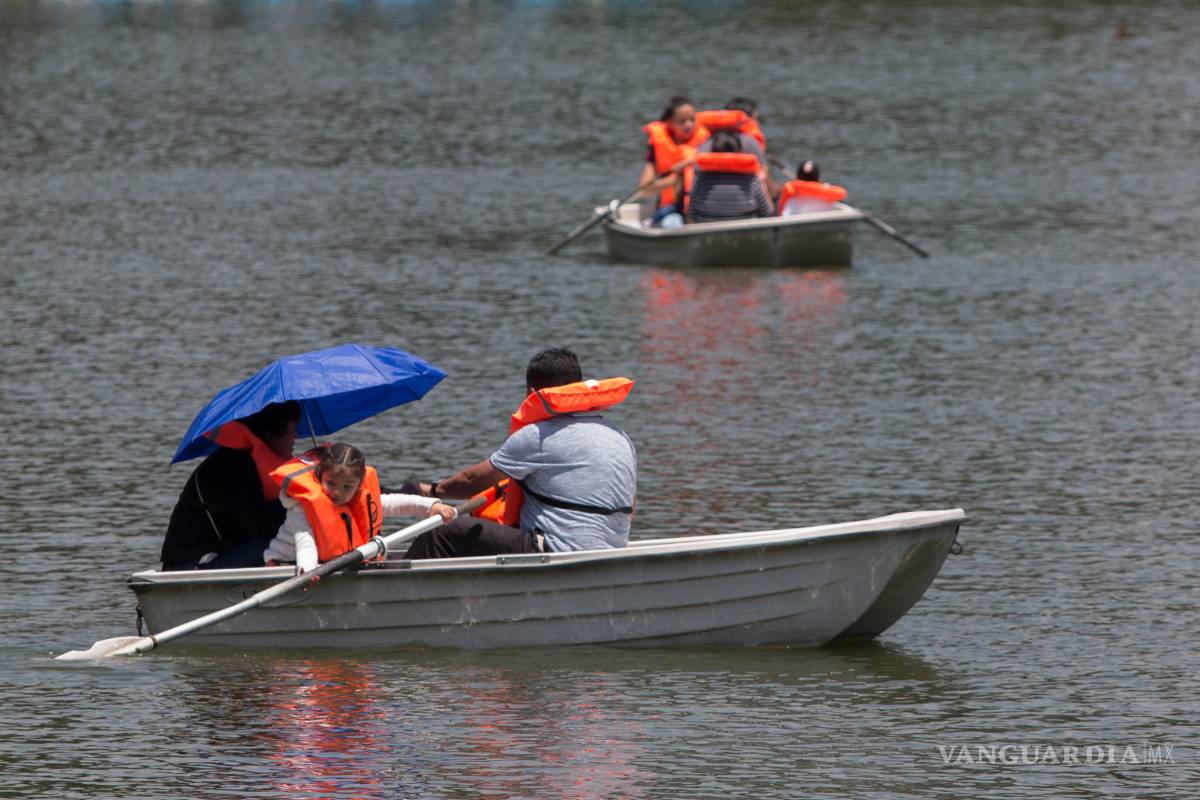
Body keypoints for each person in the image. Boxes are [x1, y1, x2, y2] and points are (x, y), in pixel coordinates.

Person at [401, 348, 637, 560]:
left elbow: (470, 482)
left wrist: (430, 490)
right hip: (611, 549)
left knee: (440, 535)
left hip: (557, 549)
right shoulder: (619, 436)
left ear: (532, 393)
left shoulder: (539, 435)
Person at [263, 443, 457, 573]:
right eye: (331, 483)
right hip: (287, 564)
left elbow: (392, 503)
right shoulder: (302, 509)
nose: (338, 492)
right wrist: (308, 571)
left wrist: (431, 506)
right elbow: (305, 544)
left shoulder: (358, 499)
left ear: (358, 484)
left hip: (323, 565)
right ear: (320, 475)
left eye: (347, 487)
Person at [161, 401, 302, 571]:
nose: (296, 436)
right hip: (190, 565)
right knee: (286, 544)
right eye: (292, 430)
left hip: (227, 552)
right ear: (270, 434)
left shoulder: (250, 460)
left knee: (294, 539)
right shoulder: (232, 466)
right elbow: (260, 527)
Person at [639, 96, 710, 229]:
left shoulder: (706, 142)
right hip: (671, 210)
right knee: (672, 223)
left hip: (701, 208)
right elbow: (645, 190)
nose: (688, 125)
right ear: (669, 122)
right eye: (682, 121)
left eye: (692, 120)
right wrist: (676, 180)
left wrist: (690, 164)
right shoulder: (658, 145)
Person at [685, 130, 774, 224]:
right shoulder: (752, 180)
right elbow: (767, 214)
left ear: (713, 153)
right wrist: (763, 184)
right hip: (745, 235)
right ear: (740, 152)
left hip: (708, 235)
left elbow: (691, 215)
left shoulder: (700, 179)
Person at [776, 160, 848, 215]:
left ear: (798, 177)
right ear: (818, 178)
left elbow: (780, 211)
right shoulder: (827, 190)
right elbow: (842, 194)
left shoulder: (790, 188)